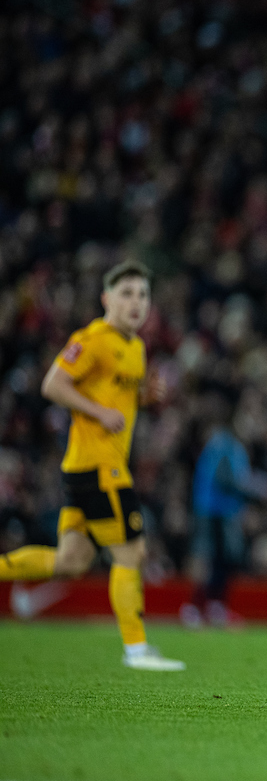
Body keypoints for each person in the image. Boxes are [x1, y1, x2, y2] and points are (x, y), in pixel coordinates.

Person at [0, 260, 185, 671]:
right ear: (106, 299)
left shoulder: (136, 348)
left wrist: (143, 399)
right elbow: (53, 384)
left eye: (142, 294)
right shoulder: (94, 339)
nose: (136, 302)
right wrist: (98, 413)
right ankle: (136, 649)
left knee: (71, 560)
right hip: (99, 467)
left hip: (94, 467)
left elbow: (119, 400)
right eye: (126, 293)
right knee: (131, 552)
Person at [181, 396, 267, 628]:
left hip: (223, 510)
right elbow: (225, 478)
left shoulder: (230, 444)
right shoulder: (224, 443)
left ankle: (214, 606)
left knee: (225, 558)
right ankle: (194, 607)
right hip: (212, 509)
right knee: (209, 558)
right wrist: (254, 489)